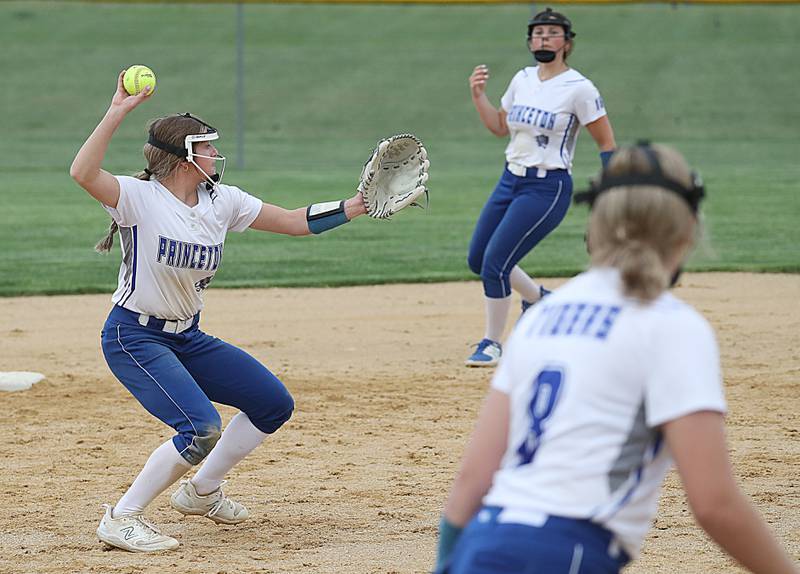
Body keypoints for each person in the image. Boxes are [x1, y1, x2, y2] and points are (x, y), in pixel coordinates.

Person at [434, 142, 800, 574]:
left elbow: (470, 485)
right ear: (686, 235)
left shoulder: (542, 316)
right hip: (567, 553)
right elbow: (714, 504)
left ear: (596, 229)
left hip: (481, 544)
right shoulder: (672, 326)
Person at [69, 71, 367, 552]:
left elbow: (293, 222)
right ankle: (122, 517)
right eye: (206, 146)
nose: (214, 154)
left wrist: (357, 205)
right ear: (185, 157)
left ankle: (201, 492)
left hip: (187, 336)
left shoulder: (220, 201)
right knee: (200, 426)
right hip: (135, 336)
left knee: (272, 404)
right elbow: (82, 173)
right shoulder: (139, 198)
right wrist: (117, 112)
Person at [465, 7, 616, 367]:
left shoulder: (579, 88)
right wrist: (478, 96)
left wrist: (610, 190)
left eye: (551, 32)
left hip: (547, 188)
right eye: (537, 33)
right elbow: (500, 127)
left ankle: (492, 342)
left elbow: (607, 143)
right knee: (478, 259)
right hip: (510, 179)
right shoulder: (522, 79)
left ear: (567, 41)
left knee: (495, 265)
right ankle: (538, 299)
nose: (543, 38)